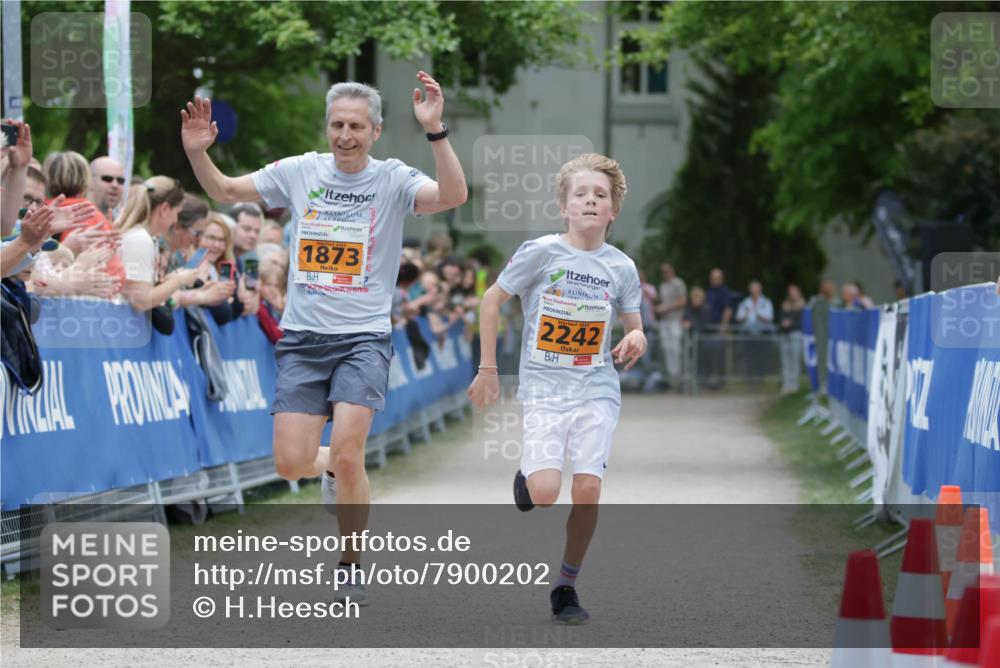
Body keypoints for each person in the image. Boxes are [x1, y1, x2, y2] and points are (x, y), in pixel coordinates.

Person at [180, 72, 467, 605]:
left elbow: (453, 194)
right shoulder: (299, 171)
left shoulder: (393, 179)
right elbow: (223, 190)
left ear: (376, 130)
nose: (345, 134)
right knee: (291, 462)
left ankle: (351, 560)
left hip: (363, 337)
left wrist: (435, 131)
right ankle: (328, 464)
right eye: (337, 124)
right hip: (304, 338)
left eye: (357, 125)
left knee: (353, 452)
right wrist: (199, 154)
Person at [468, 153, 646, 625]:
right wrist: (488, 370)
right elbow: (491, 301)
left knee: (587, 489)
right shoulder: (541, 252)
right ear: (563, 207)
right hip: (545, 388)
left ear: (613, 211)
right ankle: (529, 477)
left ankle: (566, 586)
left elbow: (635, 326)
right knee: (546, 492)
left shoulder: (622, 267)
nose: (590, 201)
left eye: (600, 195)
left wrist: (636, 337)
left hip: (597, 390)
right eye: (580, 194)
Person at [116, 176, 202, 313]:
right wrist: (179, 280)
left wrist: (169, 281)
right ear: (164, 209)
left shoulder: (141, 237)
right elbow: (140, 300)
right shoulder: (140, 239)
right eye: (177, 213)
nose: (175, 221)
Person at [44, 151, 126, 291]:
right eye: (107, 178)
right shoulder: (90, 214)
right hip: (84, 300)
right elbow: (114, 275)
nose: (115, 185)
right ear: (86, 181)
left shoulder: (38, 212)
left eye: (121, 181)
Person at [655, 262, 686, 389]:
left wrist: (667, 308)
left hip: (675, 320)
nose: (665, 274)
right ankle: (672, 380)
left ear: (672, 271)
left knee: (676, 350)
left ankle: (679, 379)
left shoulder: (678, 283)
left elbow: (682, 301)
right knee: (666, 349)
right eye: (663, 272)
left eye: (667, 271)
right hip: (664, 321)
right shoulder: (662, 286)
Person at [703, 268, 735, 388]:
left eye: (716, 277)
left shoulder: (725, 292)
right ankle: (709, 380)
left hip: (718, 328)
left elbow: (728, 309)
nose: (714, 280)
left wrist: (723, 325)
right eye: (712, 277)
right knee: (709, 354)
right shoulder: (709, 291)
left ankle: (722, 382)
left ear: (721, 279)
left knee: (720, 355)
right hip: (709, 329)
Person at [778, 284, 806, 394]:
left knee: (795, 360)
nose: (792, 294)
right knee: (785, 361)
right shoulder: (785, 305)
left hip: (796, 334)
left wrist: (791, 323)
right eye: (790, 292)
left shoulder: (802, 305)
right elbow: (780, 317)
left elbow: (802, 321)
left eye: (794, 291)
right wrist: (783, 323)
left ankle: (794, 384)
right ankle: (786, 384)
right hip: (784, 334)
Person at [88, 156, 126, 223]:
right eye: (107, 179)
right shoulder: (74, 219)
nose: (115, 185)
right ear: (90, 181)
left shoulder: (120, 223)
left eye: (120, 180)